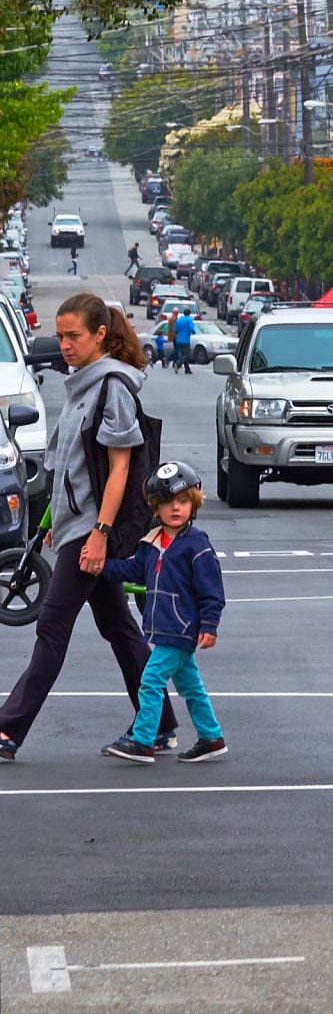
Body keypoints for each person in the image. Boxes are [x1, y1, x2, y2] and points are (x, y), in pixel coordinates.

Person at [0, 293, 176, 761]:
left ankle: (7, 729)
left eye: (73, 335)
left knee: (51, 628)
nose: (65, 345)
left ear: (100, 334)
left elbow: (120, 471)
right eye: (60, 336)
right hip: (77, 526)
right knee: (119, 627)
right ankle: (158, 723)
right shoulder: (82, 385)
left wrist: (98, 532)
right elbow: (74, 467)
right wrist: (58, 519)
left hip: (93, 533)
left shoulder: (112, 388)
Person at [98, 462, 228, 764]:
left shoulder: (196, 544)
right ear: (156, 508)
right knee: (190, 687)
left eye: (183, 502)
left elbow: (212, 591)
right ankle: (211, 737)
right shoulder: (152, 542)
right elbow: (135, 571)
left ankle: (143, 740)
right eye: (168, 503)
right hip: (165, 628)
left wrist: (210, 624)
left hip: (180, 630)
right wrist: (101, 567)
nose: (175, 508)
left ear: (193, 504)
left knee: (151, 679)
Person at [172, 308, 195, 374]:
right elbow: (191, 329)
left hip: (179, 340)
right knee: (186, 355)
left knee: (183, 355)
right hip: (186, 340)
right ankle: (178, 363)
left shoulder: (179, 320)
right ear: (189, 314)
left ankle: (187, 369)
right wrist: (193, 332)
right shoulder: (189, 320)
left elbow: (175, 330)